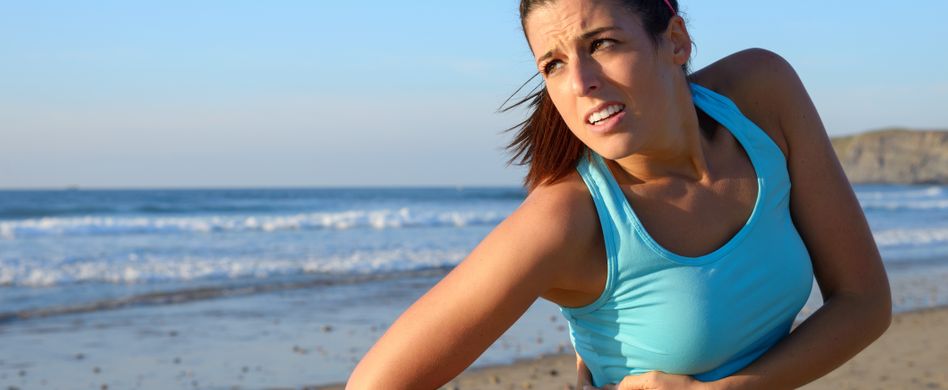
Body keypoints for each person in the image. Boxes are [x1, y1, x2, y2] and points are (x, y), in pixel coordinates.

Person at [346, 0, 892, 389]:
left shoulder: (761, 95)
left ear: (675, 41)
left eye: (602, 43)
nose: (580, 82)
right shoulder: (565, 219)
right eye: (553, 65)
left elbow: (864, 302)